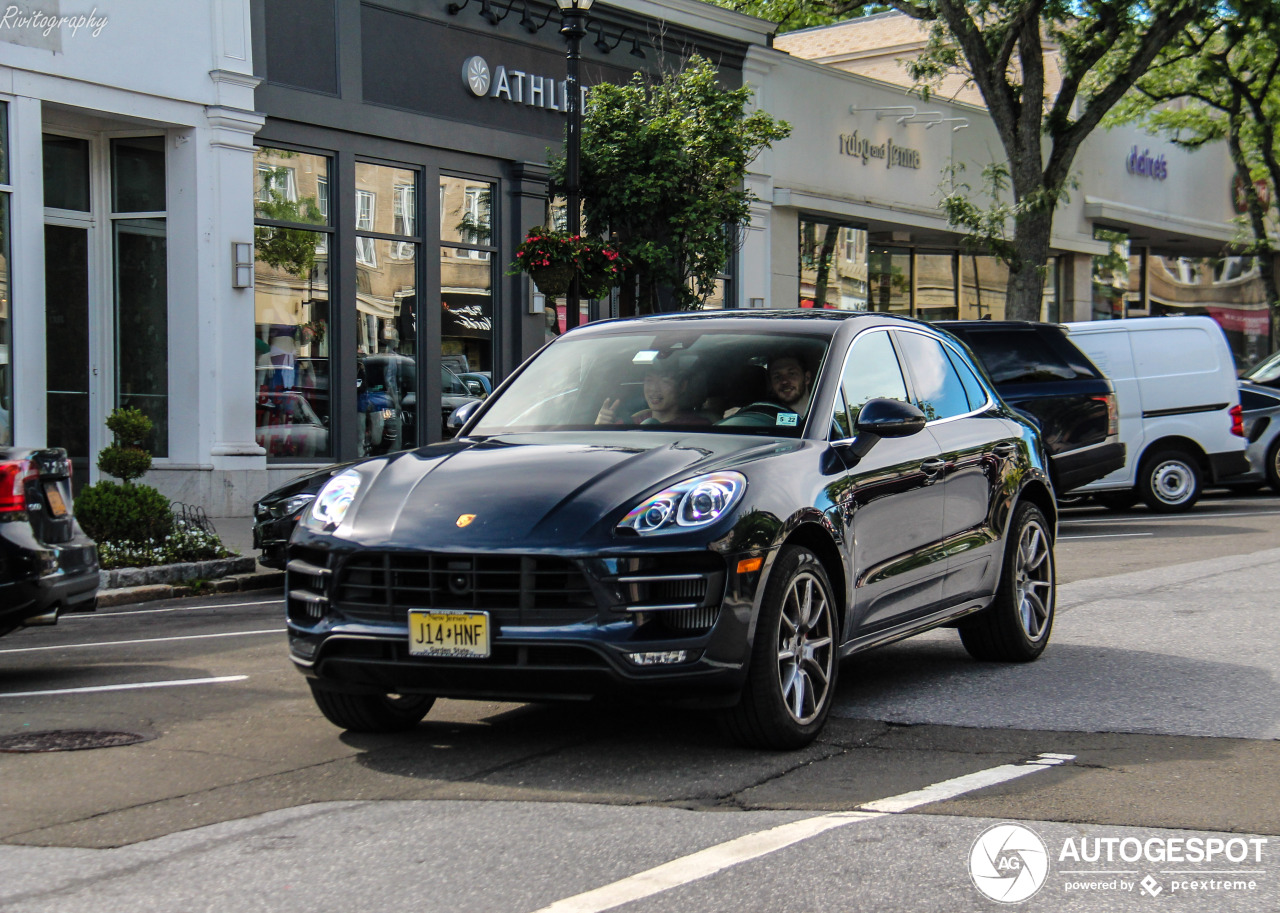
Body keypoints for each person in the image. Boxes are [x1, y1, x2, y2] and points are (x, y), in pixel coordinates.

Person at [596, 359, 710, 426]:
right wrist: (599, 426)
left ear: (682, 386)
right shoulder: (632, 422)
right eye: (649, 380)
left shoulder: (697, 426)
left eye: (664, 381)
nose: (654, 389)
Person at [721, 350, 815, 423]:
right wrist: (745, 417)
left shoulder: (825, 413)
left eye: (791, 373)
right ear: (771, 384)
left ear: (807, 378)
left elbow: (798, 422)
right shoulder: (764, 413)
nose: (784, 381)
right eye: (777, 377)